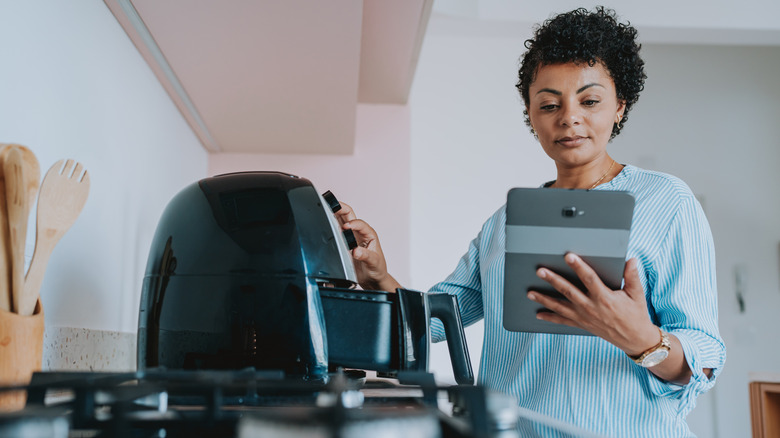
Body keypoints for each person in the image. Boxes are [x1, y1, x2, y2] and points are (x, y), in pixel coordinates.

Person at [335, 7, 725, 437]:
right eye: (549, 104)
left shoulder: (666, 200)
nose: (568, 118)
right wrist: (378, 275)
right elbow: (433, 322)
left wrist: (642, 339)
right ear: (531, 115)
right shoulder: (505, 222)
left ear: (620, 106)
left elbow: (705, 359)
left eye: (590, 101)